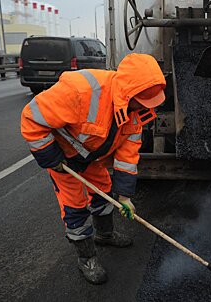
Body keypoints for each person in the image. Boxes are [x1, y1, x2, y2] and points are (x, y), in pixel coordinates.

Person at [21, 53, 166, 284]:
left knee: (104, 192)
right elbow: (31, 119)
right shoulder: (80, 91)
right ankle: (86, 258)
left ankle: (105, 234)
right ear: (128, 92)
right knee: (75, 206)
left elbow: (127, 156)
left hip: (91, 157)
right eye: (142, 100)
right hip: (64, 160)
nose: (144, 107)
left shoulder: (136, 113)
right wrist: (51, 158)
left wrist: (125, 197)